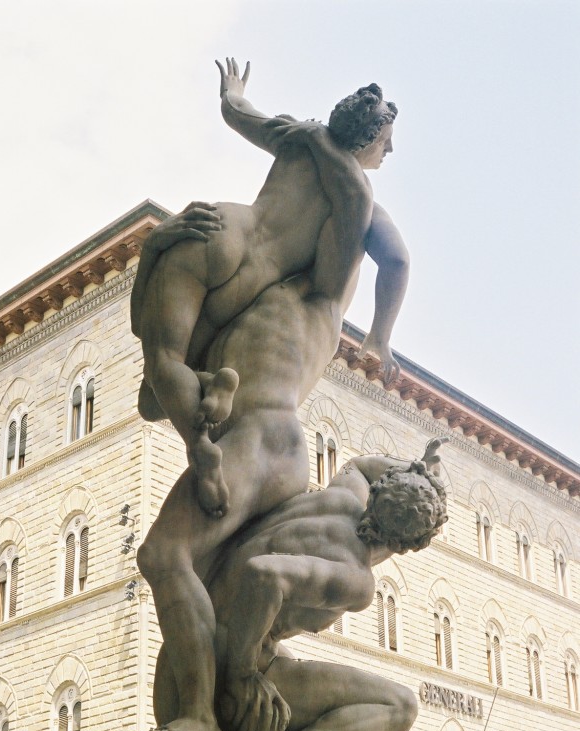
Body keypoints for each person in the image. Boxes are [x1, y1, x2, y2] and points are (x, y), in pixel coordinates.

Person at [130, 58, 407, 516]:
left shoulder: (303, 135)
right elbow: (395, 260)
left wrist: (231, 91)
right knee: (154, 395)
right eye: (386, 141)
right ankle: (202, 443)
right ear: (368, 139)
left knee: (157, 378)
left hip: (223, 230)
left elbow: (239, 114)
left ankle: (204, 387)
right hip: (255, 282)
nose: (389, 150)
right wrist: (380, 334)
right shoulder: (361, 201)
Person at [152, 441, 448, 731]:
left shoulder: (342, 497)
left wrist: (415, 468)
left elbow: (360, 465)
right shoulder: (356, 581)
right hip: (224, 683)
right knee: (400, 706)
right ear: (409, 546)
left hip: (183, 664)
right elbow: (265, 576)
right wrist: (244, 674)